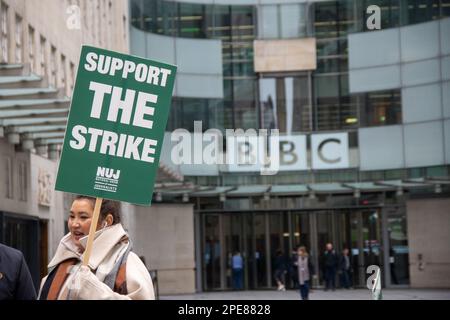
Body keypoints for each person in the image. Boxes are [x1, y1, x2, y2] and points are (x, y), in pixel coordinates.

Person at [38, 195, 155, 300]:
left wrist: (94, 291)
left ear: (107, 221)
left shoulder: (128, 262)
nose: (74, 224)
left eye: (83, 217)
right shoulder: (66, 259)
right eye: (72, 216)